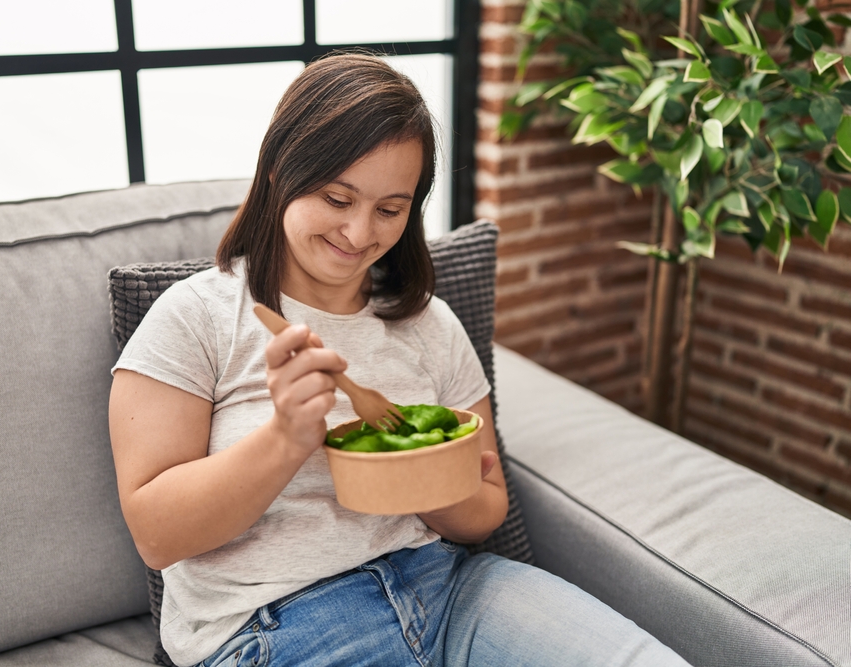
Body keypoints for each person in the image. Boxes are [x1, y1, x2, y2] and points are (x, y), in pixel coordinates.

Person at [109, 52, 689, 667]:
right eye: (338, 198)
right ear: (281, 170)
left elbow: (485, 510)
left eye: (390, 209)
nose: (360, 234)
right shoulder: (196, 317)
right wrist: (286, 438)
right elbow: (156, 534)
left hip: (452, 589)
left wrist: (419, 474)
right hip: (279, 624)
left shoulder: (430, 325)